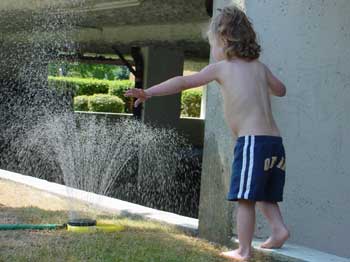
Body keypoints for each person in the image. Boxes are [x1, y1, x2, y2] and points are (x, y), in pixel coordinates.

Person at [125, 5, 289, 261]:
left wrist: (149, 92)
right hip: (275, 144)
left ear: (224, 40)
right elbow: (281, 90)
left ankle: (243, 250)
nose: (213, 51)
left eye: (212, 44)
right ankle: (278, 230)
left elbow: (183, 82)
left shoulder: (221, 69)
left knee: (245, 197)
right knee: (264, 192)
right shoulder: (260, 67)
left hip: (252, 143)